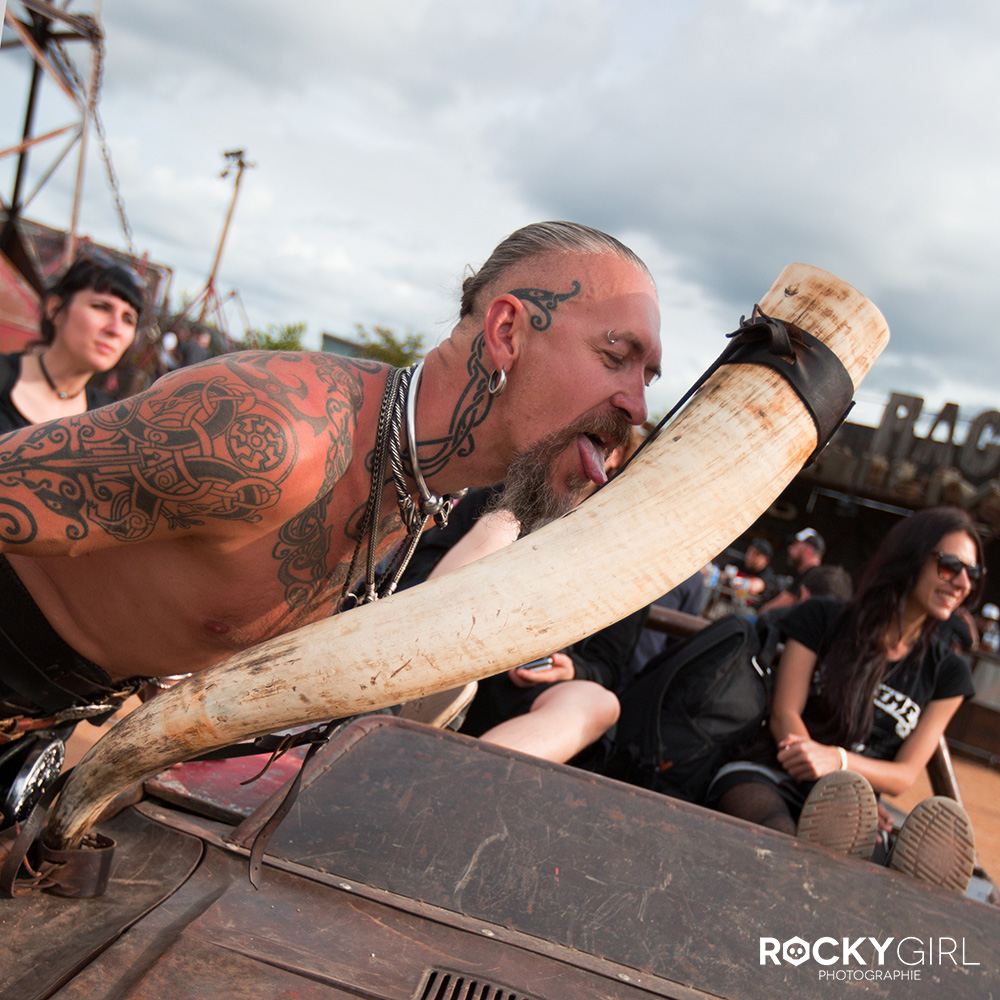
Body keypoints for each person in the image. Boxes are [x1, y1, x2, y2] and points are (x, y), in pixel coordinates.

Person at [0, 221, 662, 737]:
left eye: (647, 377)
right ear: (509, 331)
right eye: (615, 357)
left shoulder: (417, 485)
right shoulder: (272, 435)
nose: (637, 405)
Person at [707, 507, 982, 892]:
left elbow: (904, 775)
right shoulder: (823, 618)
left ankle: (912, 885)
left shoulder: (948, 673)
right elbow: (786, 713)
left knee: (853, 865)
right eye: (951, 566)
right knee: (779, 841)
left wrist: (837, 767)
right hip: (772, 769)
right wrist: (822, 769)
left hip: (852, 807)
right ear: (911, 557)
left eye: (973, 573)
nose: (962, 583)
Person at [0, 256, 142, 434]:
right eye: (101, 307)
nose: (115, 329)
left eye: (128, 319)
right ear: (54, 308)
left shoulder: (109, 421)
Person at [757, 527, 825, 613]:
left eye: (795, 544)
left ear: (808, 549)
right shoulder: (813, 574)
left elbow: (788, 600)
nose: (790, 548)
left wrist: (759, 613)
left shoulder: (812, 575)